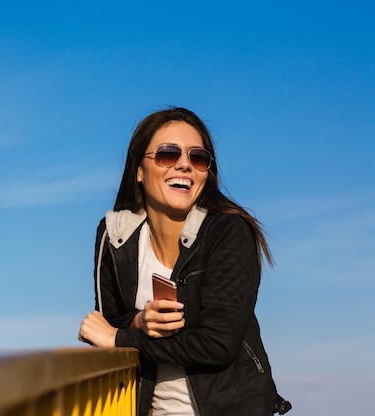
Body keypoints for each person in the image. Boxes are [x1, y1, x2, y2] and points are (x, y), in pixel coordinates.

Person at [78, 107, 291, 415]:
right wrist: (138, 322)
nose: (184, 165)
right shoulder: (115, 236)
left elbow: (217, 345)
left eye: (198, 157)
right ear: (139, 170)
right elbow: (105, 325)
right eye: (167, 154)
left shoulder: (228, 232)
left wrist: (123, 336)